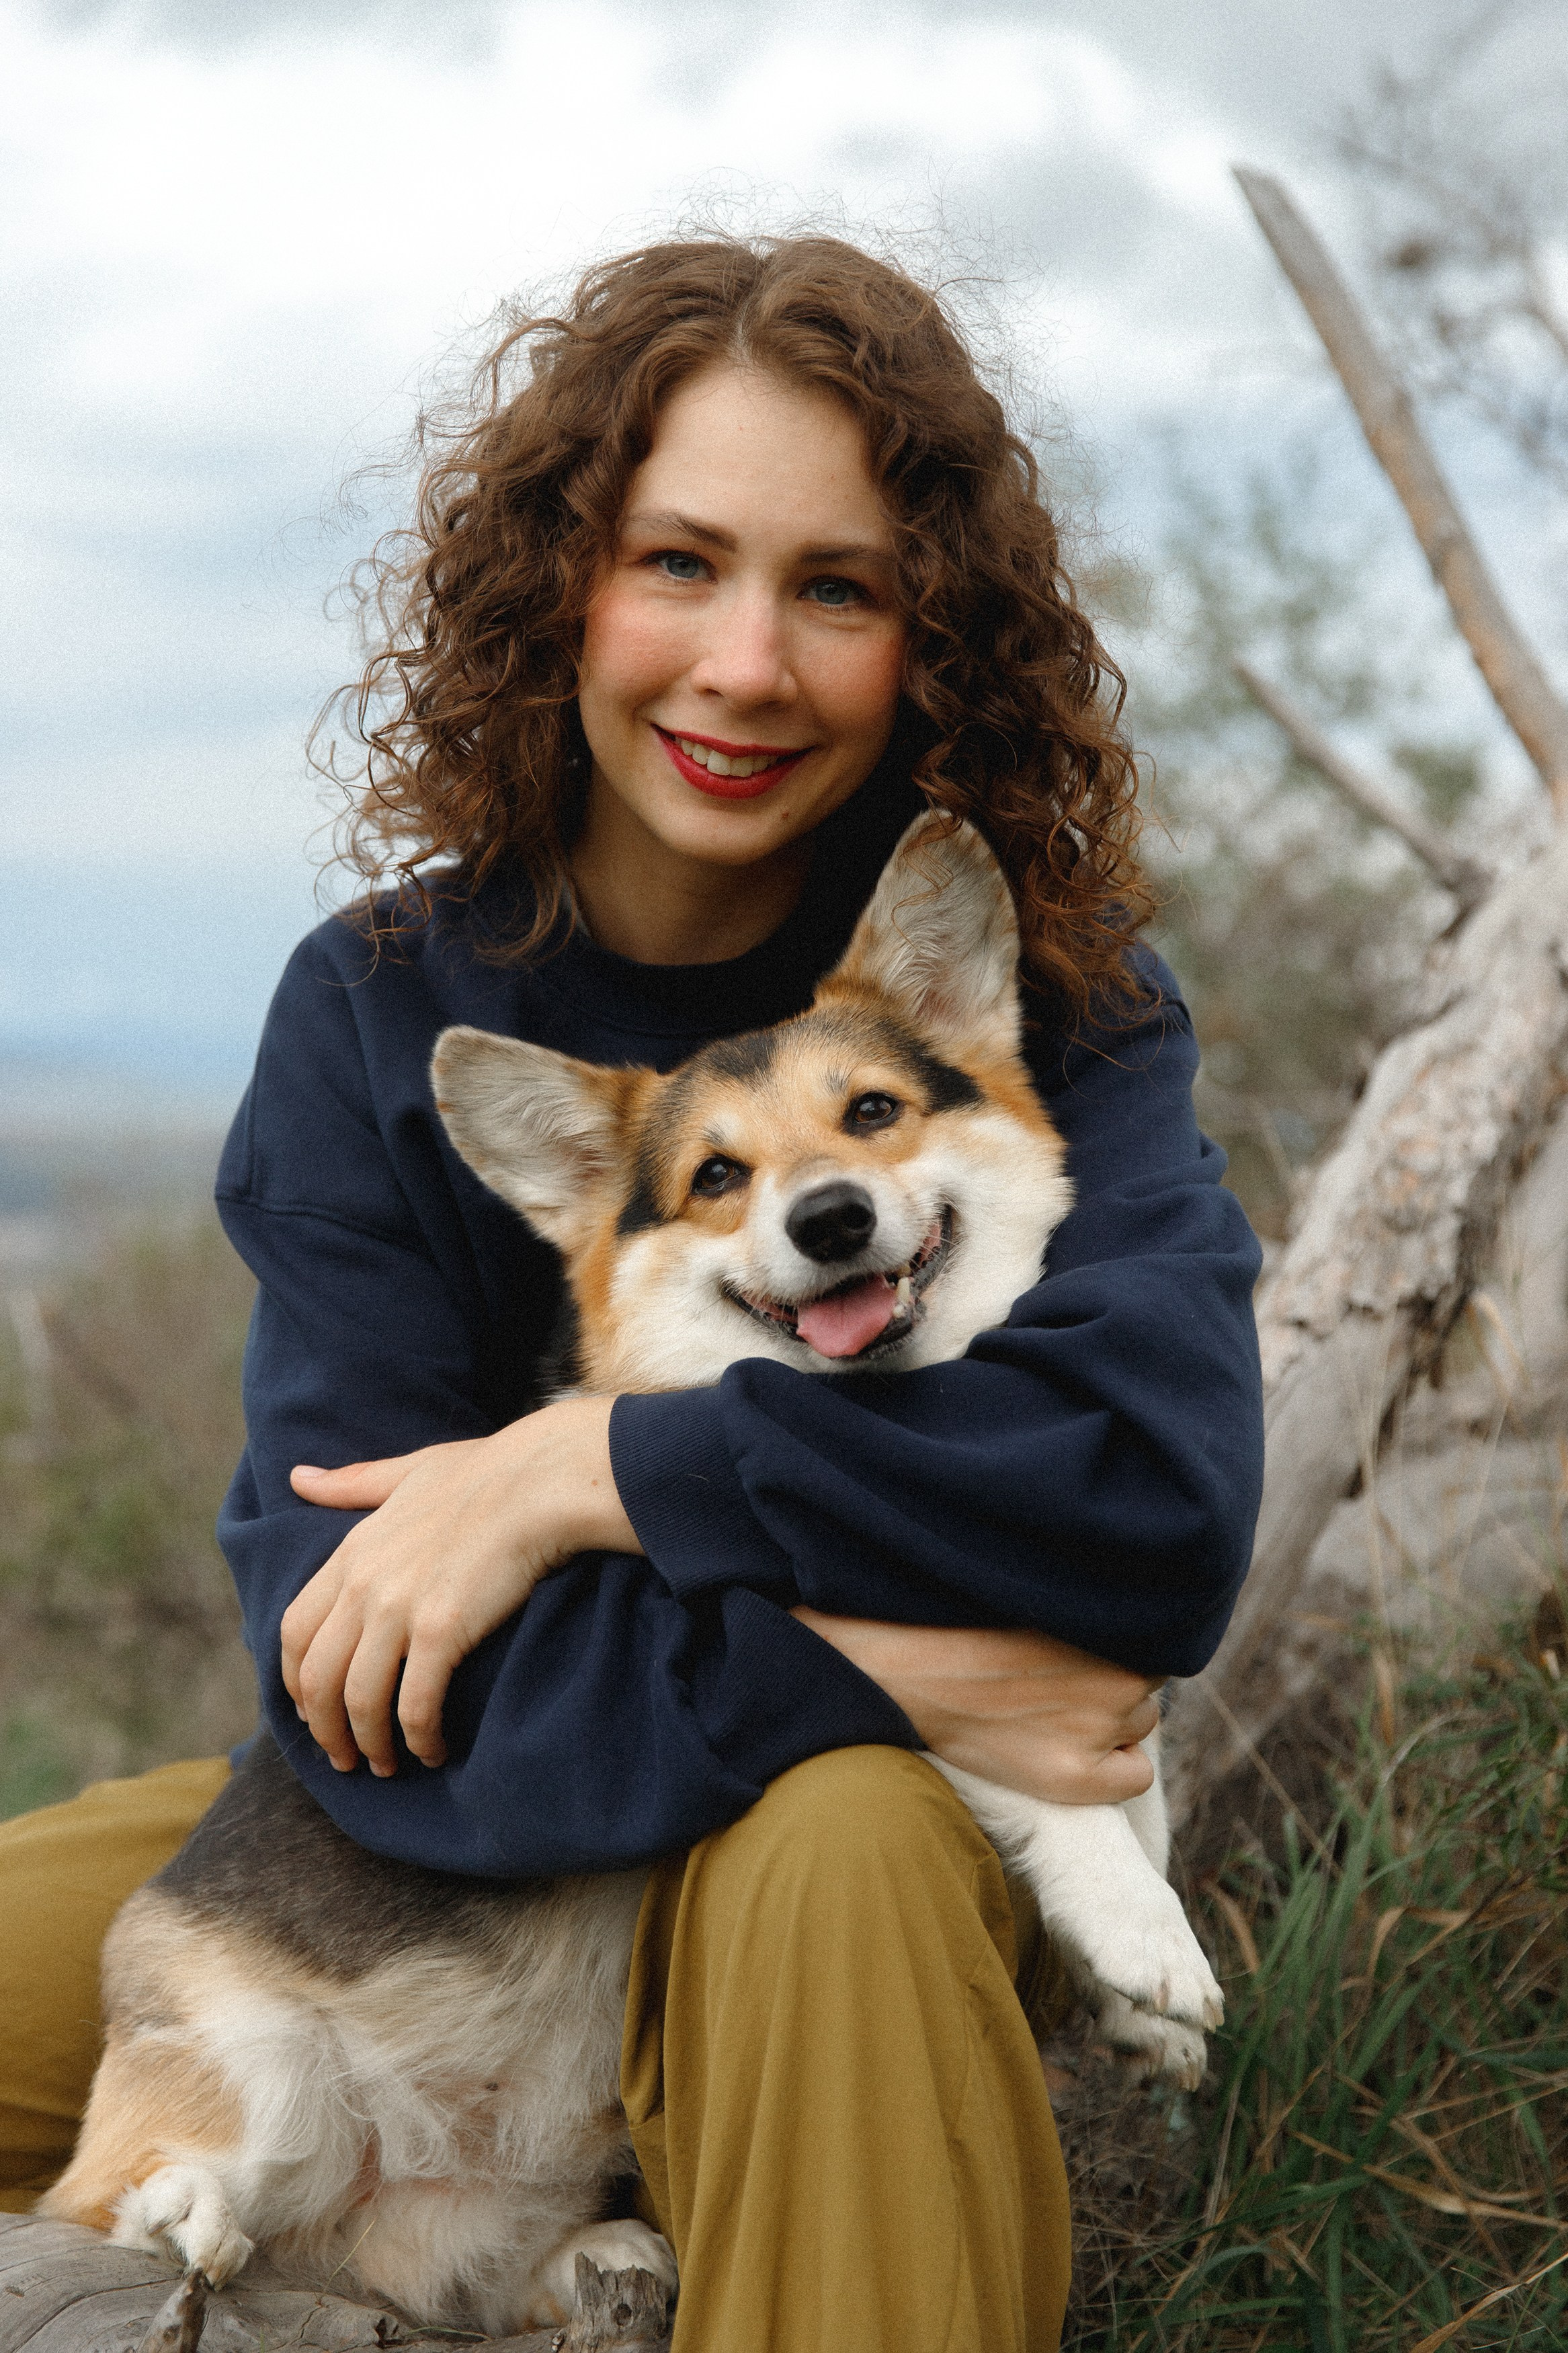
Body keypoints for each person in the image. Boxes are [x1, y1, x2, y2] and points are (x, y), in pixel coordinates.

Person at [0, 237, 1264, 2352]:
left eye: (838, 586)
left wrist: (585, 1470)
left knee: (845, 1850)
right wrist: (914, 1661)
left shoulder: (1053, 1015)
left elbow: (1148, 1500)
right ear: (560, 588)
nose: (746, 663)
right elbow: (365, 1685)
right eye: (678, 560)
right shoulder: (384, 1012)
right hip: (437, 1850)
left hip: (831, 1851)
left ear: (929, 632)